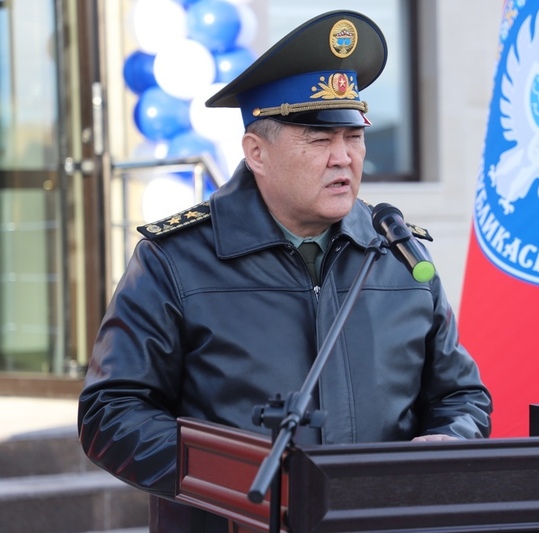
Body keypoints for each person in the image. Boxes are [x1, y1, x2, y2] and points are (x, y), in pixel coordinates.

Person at [77, 10, 492, 531]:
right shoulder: (175, 260)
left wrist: (451, 438)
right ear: (257, 152)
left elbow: (460, 395)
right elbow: (111, 413)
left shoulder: (398, 254)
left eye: (353, 136)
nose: (344, 158)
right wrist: (235, 479)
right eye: (319, 140)